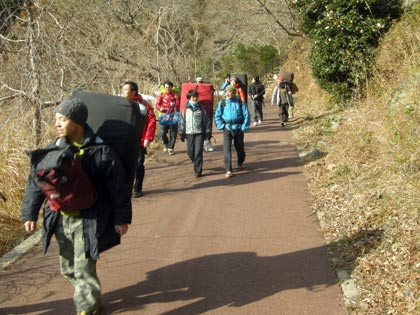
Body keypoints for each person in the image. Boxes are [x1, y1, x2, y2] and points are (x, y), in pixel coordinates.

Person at [21, 98, 132, 315]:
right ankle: (88, 294)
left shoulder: (100, 151)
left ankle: (87, 307)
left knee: (83, 268)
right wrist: (30, 213)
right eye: (56, 119)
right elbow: (36, 183)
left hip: (88, 219)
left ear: (78, 121)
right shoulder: (54, 149)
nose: (57, 124)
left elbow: (117, 187)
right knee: (68, 268)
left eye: (62, 119)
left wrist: (121, 219)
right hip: (61, 219)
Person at [121, 81, 156, 198]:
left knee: (138, 164)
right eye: (123, 89)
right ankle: (126, 187)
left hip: (139, 140)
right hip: (124, 140)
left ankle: (137, 188)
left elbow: (151, 120)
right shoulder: (120, 103)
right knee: (123, 164)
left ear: (133, 92)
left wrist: (148, 138)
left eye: (126, 90)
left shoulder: (143, 104)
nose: (123, 92)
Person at [214, 85, 250, 178]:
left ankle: (240, 162)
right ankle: (228, 169)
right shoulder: (222, 103)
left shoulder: (240, 102)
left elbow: (246, 115)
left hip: (238, 128)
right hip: (227, 128)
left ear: (234, 93)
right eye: (227, 92)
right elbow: (217, 116)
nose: (228, 94)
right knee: (226, 149)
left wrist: (243, 127)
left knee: (240, 148)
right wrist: (221, 126)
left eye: (230, 92)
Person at [178, 90, 212, 178]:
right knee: (190, 153)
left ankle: (198, 171)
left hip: (200, 133)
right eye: (193, 97)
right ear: (189, 98)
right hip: (189, 133)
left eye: (196, 96)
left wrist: (208, 131)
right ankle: (196, 163)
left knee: (198, 153)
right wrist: (181, 132)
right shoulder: (184, 109)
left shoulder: (202, 108)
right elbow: (181, 121)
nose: (195, 98)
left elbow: (208, 120)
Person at [155, 80, 180, 155]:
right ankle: (166, 144)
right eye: (166, 87)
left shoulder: (176, 95)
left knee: (173, 133)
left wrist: (175, 104)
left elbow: (179, 106)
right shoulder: (162, 95)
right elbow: (157, 104)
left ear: (172, 87)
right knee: (162, 133)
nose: (167, 89)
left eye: (169, 87)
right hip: (164, 116)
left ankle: (171, 148)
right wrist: (160, 108)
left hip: (173, 117)